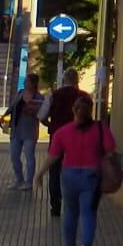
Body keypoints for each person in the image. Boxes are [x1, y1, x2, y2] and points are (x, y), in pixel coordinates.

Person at [47, 93, 114, 246]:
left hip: (69, 175)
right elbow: (110, 150)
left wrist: (39, 174)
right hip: (91, 176)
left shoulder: (63, 132)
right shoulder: (100, 128)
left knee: (69, 213)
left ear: (73, 110)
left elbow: (53, 156)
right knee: (88, 214)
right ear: (91, 110)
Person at [41, 80, 81, 218]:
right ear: (77, 81)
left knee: (54, 172)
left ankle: (55, 206)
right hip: (76, 139)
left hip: (57, 137)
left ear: (63, 81)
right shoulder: (83, 96)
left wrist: (51, 125)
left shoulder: (53, 95)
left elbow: (41, 115)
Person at [5, 82, 42, 190]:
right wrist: (5, 115)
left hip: (30, 131)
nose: (25, 83)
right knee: (14, 156)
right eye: (25, 81)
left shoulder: (39, 97)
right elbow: (12, 106)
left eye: (28, 81)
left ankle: (29, 182)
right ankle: (19, 179)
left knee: (29, 156)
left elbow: (41, 113)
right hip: (16, 130)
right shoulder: (20, 93)